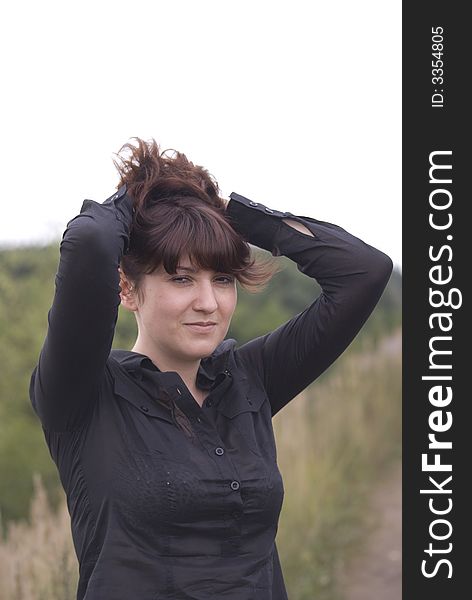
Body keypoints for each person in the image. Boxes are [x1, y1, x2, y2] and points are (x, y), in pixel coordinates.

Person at [29, 138, 393, 600]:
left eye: (222, 279)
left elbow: (364, 270)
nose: (208, 304)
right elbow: (91, 241)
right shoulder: (83, 395)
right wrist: (146, 191)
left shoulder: (248, 379)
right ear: (126, 289)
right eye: (181, 278)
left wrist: (226, 213)